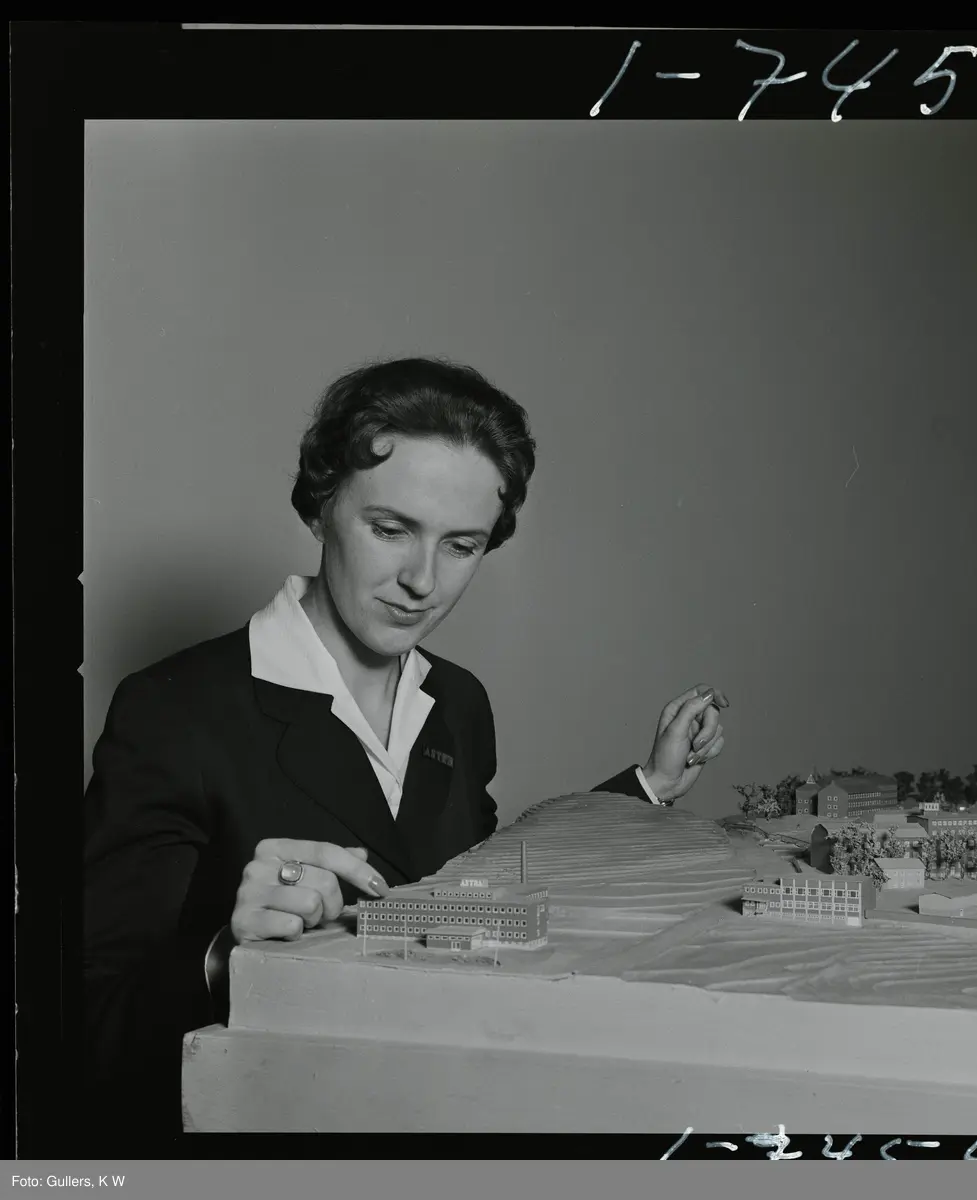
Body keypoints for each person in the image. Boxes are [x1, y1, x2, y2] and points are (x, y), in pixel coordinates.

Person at [83, 356, 727, 1144]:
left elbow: (474, 885)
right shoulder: (174, 709)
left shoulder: (459, 702)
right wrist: (223, 956)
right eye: (391, 530)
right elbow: (86, 1024)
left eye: (461, 545)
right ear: (320, 507)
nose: (422, 581)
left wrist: (647, 785)